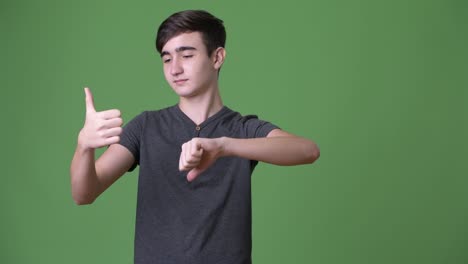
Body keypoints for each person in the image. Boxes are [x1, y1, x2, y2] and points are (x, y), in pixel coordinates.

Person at [70, 9, 320, 264]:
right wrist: (84, 147)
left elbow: (308, 150)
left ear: (217, 57)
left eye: (187, 55)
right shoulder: (146, 127)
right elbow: (84, 194)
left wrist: (224, 146)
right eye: (166, 59)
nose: (175, 69)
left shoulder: (243, 129)